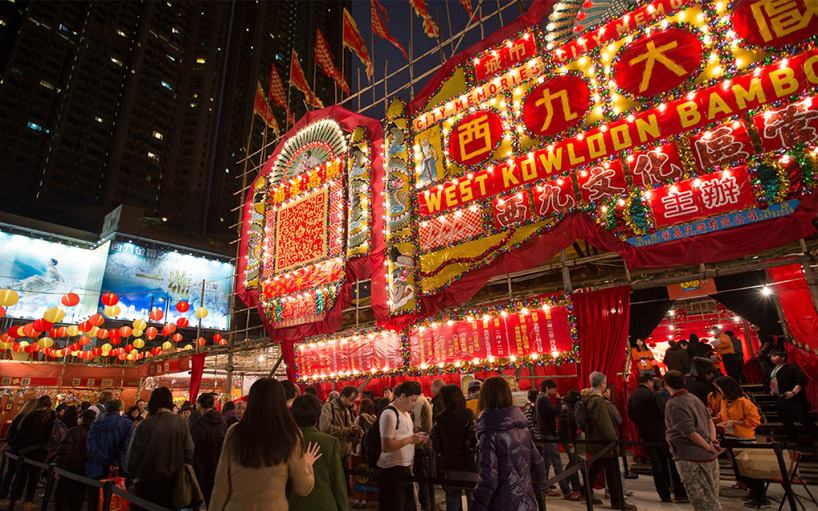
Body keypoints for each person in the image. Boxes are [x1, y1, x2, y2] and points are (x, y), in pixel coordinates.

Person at [210, 378, 321, 510]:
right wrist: (307, 464)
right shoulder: (289, 434)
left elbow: (221, 485)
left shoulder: (235, 432)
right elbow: (303, 488)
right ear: (280, 401)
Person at [471, 376, 546, 511]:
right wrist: (535, 488)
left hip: (502, 504)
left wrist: (476, 506)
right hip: (526, 502)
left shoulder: (489, 432)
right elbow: (539, 465)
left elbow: (488, 480)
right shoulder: (522, 428)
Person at [127, 387, 194, 509]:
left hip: (146, 482)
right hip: (172, 482)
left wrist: (132, 475)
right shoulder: (180, 422)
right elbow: (189, 450)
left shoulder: (144, 424)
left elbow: (133, 454)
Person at [664, 370, 722, 511]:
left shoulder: (674, 404)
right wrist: (712, 440)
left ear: (665, 384)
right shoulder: (693, 398)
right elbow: (709, 421)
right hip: (707, 453)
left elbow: (689, 432)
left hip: (691, 456)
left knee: (702, 500)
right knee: (712, 496)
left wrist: (708, 446)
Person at [627, 373, 687, 503]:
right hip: (661, 432)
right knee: (672, 461)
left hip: (646, 433)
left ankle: (663, 494)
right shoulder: (652, 395)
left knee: (656, 464)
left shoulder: (632, 396)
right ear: (649, 382)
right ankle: (680, 492)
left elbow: (631, 415)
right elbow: (663, 412)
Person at [581, 372, 636, 510]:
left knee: (597, 466)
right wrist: (614, 440)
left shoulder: (588, 397)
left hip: (596, 440)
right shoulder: (597, 400)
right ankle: (617, 500)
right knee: (611, 470)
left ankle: (585, 491)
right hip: (603, 441)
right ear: (602, 384)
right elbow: (604, 422)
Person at [711, 376, 766, 508]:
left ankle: (760, 496)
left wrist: (734, 422)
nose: (718, 391)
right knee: (741, 469)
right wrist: (712, 420)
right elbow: (722, 416)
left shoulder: (744, 402)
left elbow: (754, 421)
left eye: (719, 388)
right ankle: (752, 493)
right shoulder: (726, 402)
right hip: (730, 437)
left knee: (751, 469)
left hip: (744, 438)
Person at [288, 394, 348, 511]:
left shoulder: (285, 441)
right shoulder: (330, 442)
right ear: (318, 416)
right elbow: (338, 483)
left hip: (292, 504)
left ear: (293, 415)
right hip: (324, 503)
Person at [376, 380, 426, 511]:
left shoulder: (406, 414)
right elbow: (386, 446)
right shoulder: (389, 414)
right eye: (412, 400)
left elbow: (404, 436)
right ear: (403, 396)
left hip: (404, 468)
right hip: (391, 471)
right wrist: (410, 439)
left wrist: (416, 438)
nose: (413, 404)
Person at [432, 384, 477, 511]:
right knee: (474, 502)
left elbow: (436, 446)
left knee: (452, 502)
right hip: (469, 467)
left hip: (450, 468)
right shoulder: (468, 415)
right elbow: (474, 441)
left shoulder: (440, 419)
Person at [86, 400, 133, 511]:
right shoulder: (127, 424)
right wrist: (115, 461)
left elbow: (92, 447)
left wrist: (106, 459)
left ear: (106, 410)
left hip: (97, 467)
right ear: (119, 410)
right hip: (119, 468)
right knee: (117, 501)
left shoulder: (96, 425)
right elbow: (125, 446)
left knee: (95, 500)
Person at [10, 395, 56, 507]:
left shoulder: (31, 416)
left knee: (22, 474)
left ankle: (16, 497)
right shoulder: (52, 416)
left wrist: (11, 442)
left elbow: (22, 434)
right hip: (41, 450)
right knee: (34, 476)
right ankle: (29, 500)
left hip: (27, 449)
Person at [536, 379, 576, 500]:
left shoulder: (540, 399)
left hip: (545, 434)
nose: (555, 391)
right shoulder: (543, 399)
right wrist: (558, 400)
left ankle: (544, 487)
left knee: (546, 463)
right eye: (553, 388)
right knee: (557, 463)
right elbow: (555, 412)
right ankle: (566, 490)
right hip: (548, 434)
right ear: (547, 388)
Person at [54, 409, 96, 511]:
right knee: (79, 496)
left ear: (81, 419)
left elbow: (65, 450)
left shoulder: (73, 431)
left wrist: (58, 466)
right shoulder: (94, 433)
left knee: (63, 495)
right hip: (84, 470)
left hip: (70, 469)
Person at [190, 392, 227, 505]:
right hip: (219, 466)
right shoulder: (222, 422)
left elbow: (191, 448)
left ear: (199, 405)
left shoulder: (198, 425)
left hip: (202, 470)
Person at [768, 349, 811, 442]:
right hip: (780, 397)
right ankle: (793, 439)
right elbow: (770, 382)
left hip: (794, 398)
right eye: (772, 356)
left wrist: (793, 392)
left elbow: (801, 380)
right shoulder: (772, 370)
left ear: (783, 357)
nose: (772, 358)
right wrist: (771, 390)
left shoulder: (791, 368)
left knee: (803, 417)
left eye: (775, 356)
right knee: (786, 420)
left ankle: (813, 436)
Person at [0, 398, 36, 503]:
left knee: (10, 471)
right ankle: (14, 496)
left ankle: (3, 494)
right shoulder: (31, 419)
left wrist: (9, 443)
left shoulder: (18, 417)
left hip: (14, 448)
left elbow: (9, 434)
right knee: (21, 473)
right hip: (24, 450)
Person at [319, 385, 362, 457]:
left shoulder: (346, 410)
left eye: (353, 401)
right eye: (350, 400)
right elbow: (325, 428)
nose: (351, 404)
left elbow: (349, 426)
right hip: (333, 452)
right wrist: (347, 430)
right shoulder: (328, 407)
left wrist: (355, 430)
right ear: (342, 396)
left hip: (345, 452)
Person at [557, 390, 585, 502]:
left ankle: (574, 485)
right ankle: (566, 481)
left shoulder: (571, 406)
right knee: (574, 461)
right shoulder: (565, 408)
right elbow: (565, 426)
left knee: (575, 461)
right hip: (567, 438)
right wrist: (569, 441)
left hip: (572, 437)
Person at [412, 390, 435, 510]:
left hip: (420, 445)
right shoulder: (424, 400)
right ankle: (427, 500)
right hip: (425, 443)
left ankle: (425, 501)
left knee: (421, 475)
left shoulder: (419, 402)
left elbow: (417, 424)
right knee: (424, 475)